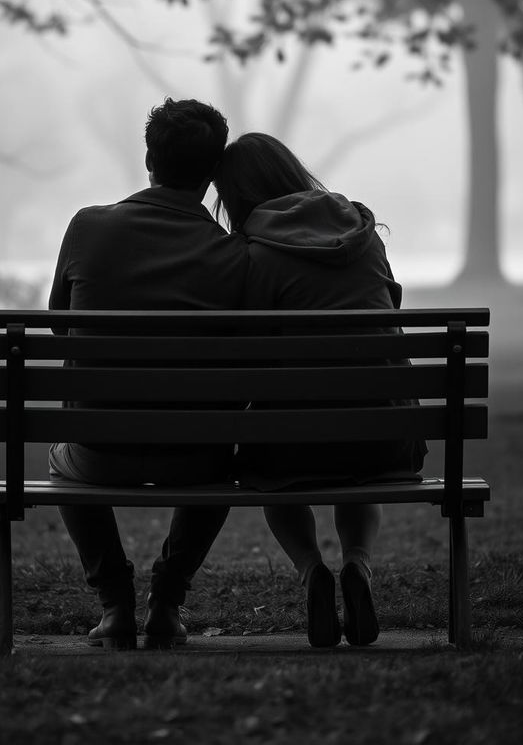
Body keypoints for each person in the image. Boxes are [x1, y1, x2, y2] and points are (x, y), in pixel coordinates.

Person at [213, 132, 426, 648]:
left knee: (268, 465)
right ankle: (358, 566)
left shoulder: (253, 253)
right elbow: (388, 309)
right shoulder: (361, 232)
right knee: (355, 446)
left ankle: (312, 572)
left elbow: (244, 349)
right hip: (386, 437)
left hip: (289, 448)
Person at [48, 98, 248, 650]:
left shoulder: (87, 227)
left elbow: (60, 330)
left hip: (98, 451)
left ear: (148, 159)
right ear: (212, 174)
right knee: (221, 459)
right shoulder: (234, 254)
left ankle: (115, 605)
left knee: (61, 463)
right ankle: (166, 603)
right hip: (197, 457)